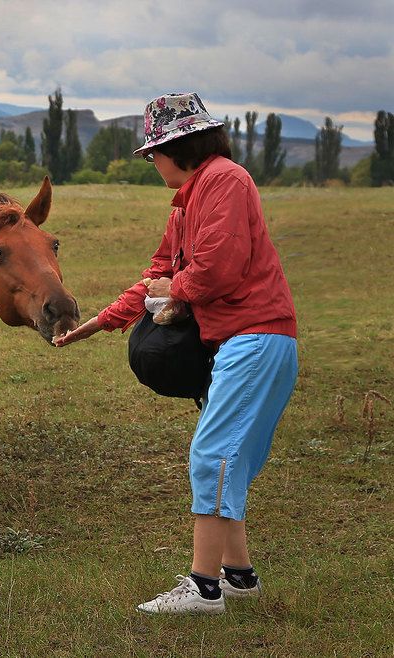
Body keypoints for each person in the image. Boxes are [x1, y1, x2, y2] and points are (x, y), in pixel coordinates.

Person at [53, 92, 298, 615]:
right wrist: (100, 322)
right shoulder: (190, 198)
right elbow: (157, 274)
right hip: (244, 341)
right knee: (227, 459)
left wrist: (172, 288)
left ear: (180, 146)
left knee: (213, 457)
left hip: (254, 338)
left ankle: (203, 589)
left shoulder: (225, 180)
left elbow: (216, 269)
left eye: (153, 153)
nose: (151, 162)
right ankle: (239, 577)